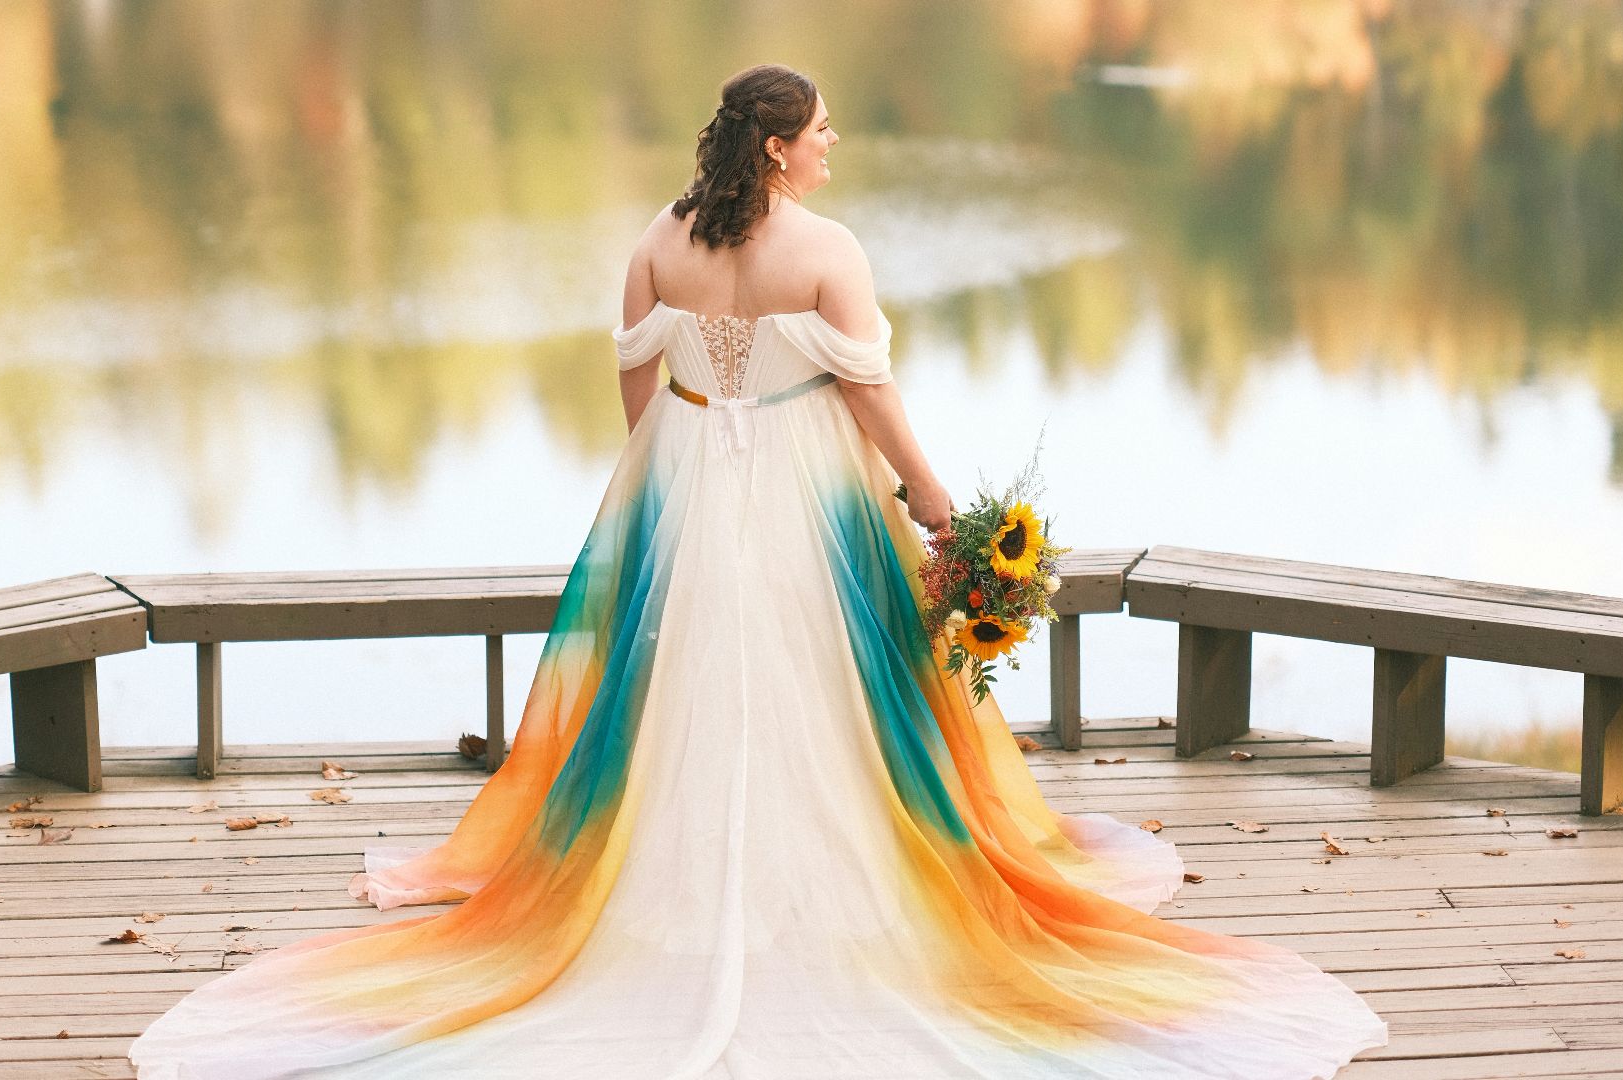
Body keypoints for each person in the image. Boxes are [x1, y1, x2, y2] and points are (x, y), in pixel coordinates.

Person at [128, 63, 1390, 1079]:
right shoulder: (828, 248)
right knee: (822, 686)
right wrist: (933, 501)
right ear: (779, 148)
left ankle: (665, 897)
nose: (835, 147)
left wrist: (678, 457)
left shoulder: (658, 240)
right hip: (806, 487)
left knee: (689, 688)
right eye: (824, 132)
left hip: (690, 483)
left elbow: (636, 372)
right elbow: (870, 390)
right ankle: (829, 907)